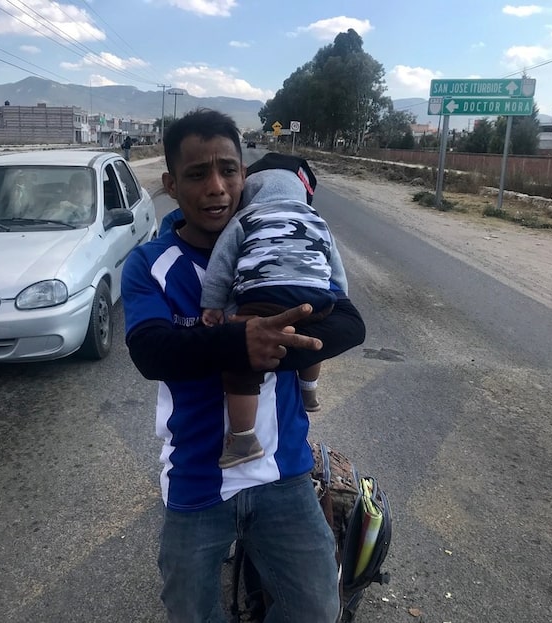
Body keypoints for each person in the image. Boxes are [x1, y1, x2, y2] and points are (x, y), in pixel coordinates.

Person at [121, 108, 342, 622]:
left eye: (229, 170)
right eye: (198, 175)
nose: (217, 187)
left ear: (247, 176)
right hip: (197, 476)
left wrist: (286, 338)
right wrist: (239, 341)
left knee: (316, 608)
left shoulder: (283, 241)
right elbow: (151, 351)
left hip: (284, 469)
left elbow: (348, 321)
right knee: (191, 612)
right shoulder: (151, 264)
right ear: (171, 185)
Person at [201, 166, 365, 468]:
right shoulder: (317, 219)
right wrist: (338, 296)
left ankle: (243, 439)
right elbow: (335, 265)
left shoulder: (245, 217)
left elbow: (221, 264)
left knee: (240, 361)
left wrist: (213, 305)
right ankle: (309, 392)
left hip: (265, 296)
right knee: (312, 335)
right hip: (317, 297)